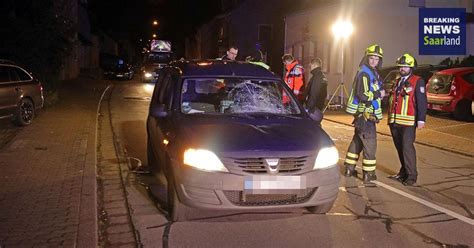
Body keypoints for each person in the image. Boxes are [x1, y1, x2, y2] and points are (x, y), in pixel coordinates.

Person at [344, 44, 385, 183]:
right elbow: (362, 95)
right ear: (367, 58)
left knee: (357, 141)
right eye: (372, 58)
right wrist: (379, 93)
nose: (374, 61)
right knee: (370, 144)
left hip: (361, 115)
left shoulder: (369, 72)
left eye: (377, 59)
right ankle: (369, 174)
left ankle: (349, 169)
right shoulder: (365, 73)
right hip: (366, 115)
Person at [387, 53, 427, 186]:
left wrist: (421, 119)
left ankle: (411, 176)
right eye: (401, 66)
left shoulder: (417, 81)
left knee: (407, 147)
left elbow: (422, 101)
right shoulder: (398, 81)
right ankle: (403, 172)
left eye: (405, 66)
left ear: (411, 67)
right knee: (399, 148)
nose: (402, 68)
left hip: (409, 122)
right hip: (395, 121)